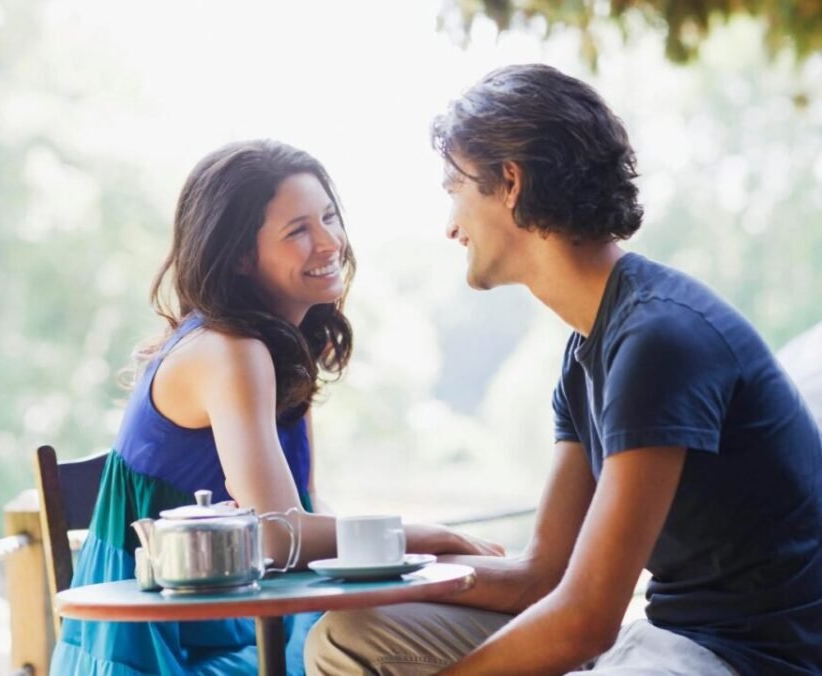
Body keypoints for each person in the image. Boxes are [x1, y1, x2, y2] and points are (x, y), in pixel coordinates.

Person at [306, 64, 822, 675]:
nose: (450, 225)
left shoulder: (659, 339)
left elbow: (585, 618)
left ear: (511, 183)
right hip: (664, 643)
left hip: (748, 660)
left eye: (455, 188)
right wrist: (413, 566)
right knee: (349, 638)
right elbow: (543, 575)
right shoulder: (584, 354)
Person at [50, 139, 500, 676]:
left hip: (248, 628)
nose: (330, 242)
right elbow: (280, 534)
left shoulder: (279, 352)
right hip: (164, 656)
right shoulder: (231, 353)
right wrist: (432, 535)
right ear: (240, 256)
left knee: (455, 606)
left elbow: (301, 513)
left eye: (329, 218)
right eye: (298, 231)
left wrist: (435, 552)